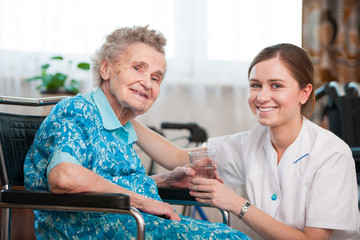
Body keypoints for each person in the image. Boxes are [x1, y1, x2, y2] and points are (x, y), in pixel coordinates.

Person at [24, 26, 250, 239]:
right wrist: (143, 201)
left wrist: (165, 181)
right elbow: (65, 177)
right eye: (137, 68)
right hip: (95, 229)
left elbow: (108, 183)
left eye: (155, 78)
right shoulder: (77, 110)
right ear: (106, 69)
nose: (147, 83)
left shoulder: (121, 126)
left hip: (134, 224)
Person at [132, 43, 360, 239]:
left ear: (304, 93)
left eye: (276, 85)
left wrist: (236, 203)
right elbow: (177, 157)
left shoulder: (331, 154)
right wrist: (125, 116)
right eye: (255, 85)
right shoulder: (251, 142)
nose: (261, 97)